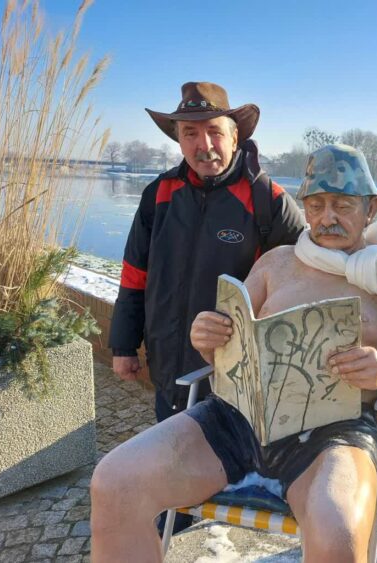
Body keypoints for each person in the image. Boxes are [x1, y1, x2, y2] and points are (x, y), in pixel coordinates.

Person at [91, 144, 377, 563]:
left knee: (337, 529)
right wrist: (207, 337)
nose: (327, 218)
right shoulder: (278, 263)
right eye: (315, 205)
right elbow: (227, 349)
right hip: (236, 420)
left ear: (370, 208)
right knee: (114, 482)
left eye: (342, 205)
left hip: (334, 433)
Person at [109, 81, 305, 417]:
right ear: (179, 139)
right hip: (168, 371)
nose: (204, 145)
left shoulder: (269, 202)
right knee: (171, 444)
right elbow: (134, 275)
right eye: (190, 134)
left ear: (234, 137)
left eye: (214, 132)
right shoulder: (158, 194)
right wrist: (124, 345)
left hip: (237, 382)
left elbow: (298, 291)